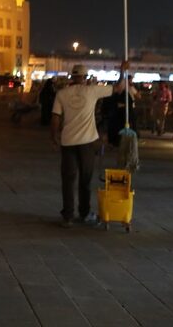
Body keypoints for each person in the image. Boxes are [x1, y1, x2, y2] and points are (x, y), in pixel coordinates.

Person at [51, 62, 126, 228]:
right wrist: (123, 70)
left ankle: (68, 216)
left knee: (68, 180)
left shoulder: (61, 94)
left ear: (72, 76)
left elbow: (55, 117)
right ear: (85, 78)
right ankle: (84, 213)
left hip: (68, 142)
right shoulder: (92, 91)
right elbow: (119, 88)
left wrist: (54, 137)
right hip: (87, 142)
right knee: (85, 180)